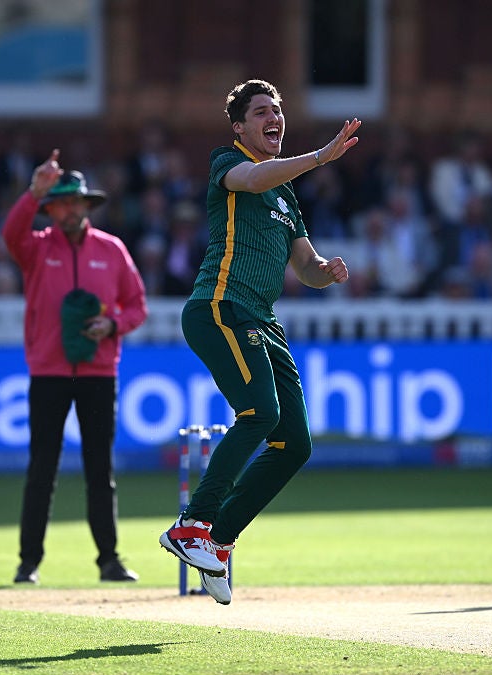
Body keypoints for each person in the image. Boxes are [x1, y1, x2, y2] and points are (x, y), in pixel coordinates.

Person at [158, 79, 360, 605]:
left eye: (278, 110)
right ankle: (192, 525)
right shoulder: (227, 162)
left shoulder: (287, 196)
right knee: (259, 413)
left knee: (295, 443)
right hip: (220, 308)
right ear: (240, 126)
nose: (274, 118)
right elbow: (253, 178)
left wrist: (326, 271)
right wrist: (319, 156)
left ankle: (219, 542)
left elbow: (306, 268)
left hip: (263, 320)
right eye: (262, 112)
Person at [3, 149, 148, 585]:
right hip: (48, 370)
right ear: (52, 208)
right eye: (59, 204)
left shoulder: (112, 249)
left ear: (86, 205)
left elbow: (137, 306)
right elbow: (10, 235)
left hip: (99, 372)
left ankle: (109, 560)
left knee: (99, 469)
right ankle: (28, 562)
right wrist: (34, 193)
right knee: (42, 467)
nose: (66, 210)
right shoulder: (37, 247)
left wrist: (113, 324)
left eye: (73, 202)